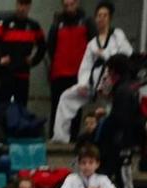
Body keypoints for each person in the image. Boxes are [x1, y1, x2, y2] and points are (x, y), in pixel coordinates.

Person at [53, 1, 128, 143]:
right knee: (66, 97)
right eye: (99, 15)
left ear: (110, 18)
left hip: (113, 83)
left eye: (105, 15)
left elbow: (126, 55)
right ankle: (60, 137)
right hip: (93, 82)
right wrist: (82, 83)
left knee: (113, 109)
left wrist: (105, 54)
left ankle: (118, 139)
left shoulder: (117, 36)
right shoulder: (92, 43)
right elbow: (85, 66)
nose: (101, 18)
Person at [0, 0, 45, 111]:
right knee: (2, 108)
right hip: (6, 74)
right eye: (20, 4)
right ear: (16, 5)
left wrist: (33, 60)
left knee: (21, 109)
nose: (22, 8)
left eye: (25, 5)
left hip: (23, 74)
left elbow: (43, 46)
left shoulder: (34, 26)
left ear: (29, 7)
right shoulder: (6, 23)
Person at [45, 0, 92, 115]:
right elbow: (50, 46)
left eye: (72, 4)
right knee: (57, 110)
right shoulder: (57, 23)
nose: (69, 8)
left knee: (75, 111)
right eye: (66, 5)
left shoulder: (87, 22)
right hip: (59, 75)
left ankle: (73, 134)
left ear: (77, 3)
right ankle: (55, 133)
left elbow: (92, 45)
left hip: (78, 75)